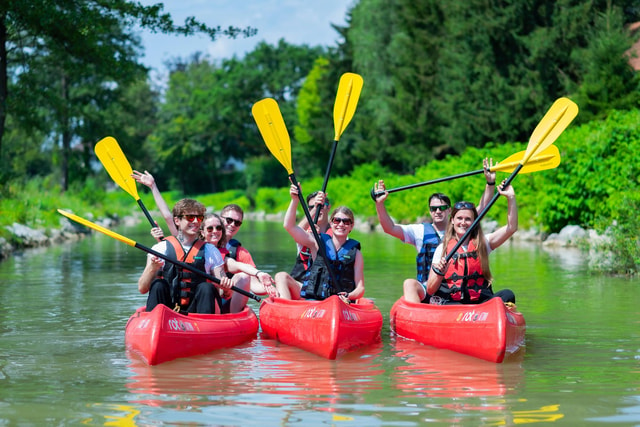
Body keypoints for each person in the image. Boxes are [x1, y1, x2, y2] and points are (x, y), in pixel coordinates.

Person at [372, 158, 498, 303]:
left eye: (442, 208)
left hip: (450, 291)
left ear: (450, 211)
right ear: (430, 211)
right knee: (409, 283)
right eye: (433, 208)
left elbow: (482, 208)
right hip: (428, 288)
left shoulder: (462, 228)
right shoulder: (419, 231)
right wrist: (379, 204)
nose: (438, 211)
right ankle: (416, 316)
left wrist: (490, 184)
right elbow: (390, 228)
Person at [426, 179, 518, 305]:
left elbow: (511, 228)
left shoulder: (484, 243)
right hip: (453, 303)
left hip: (480, 303)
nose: (463, 223)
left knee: (508, 294)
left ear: (474, 222)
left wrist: (511, 197)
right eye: (459, 218)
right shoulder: (442, 249)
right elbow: (430, 289)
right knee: (453, 306)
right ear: (452, 220)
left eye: (468, 219)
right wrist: (440, 273)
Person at [137, 198, 233, 314]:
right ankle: (152, 322)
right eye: (190, 217)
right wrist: (152, 268)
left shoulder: (210, 251)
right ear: (177, 221)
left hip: (196, 312)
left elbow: (224, 294)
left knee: (206, 287)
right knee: (158, 285)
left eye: (199, 218)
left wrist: (226, 288)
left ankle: (204, 327)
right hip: (167, 310)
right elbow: (142, 288)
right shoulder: (160, 249)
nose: (196, 221)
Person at [275, 184, 365, 302]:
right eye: (337, 220)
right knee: (280, 276)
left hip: (341, 301)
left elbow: (360, 288)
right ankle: (286, 310)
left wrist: (349, 296)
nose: (341, 224)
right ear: (331, 223)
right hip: (316, 299)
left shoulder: (355, 253)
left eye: (346, 222)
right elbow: (289, 226)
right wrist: (295, 200)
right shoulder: (316, 242)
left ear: (351, 226)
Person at [201, 213, 275, 312]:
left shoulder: (220, 254)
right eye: (210, 229)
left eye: (218, 228)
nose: (215, 231)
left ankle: (234, 317)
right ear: (202, 232)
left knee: (243, 276)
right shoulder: (193, 248)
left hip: (218, 297)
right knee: (206, 288)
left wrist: (259, 273)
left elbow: (236, 265)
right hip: (198, 296)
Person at [274, 191, 331, 294]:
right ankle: (286, 306)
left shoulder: (336, 234)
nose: (318, 209)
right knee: (280, 276)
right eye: (312, 207)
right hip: (300, 286)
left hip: (325, 287)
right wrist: (313, 209)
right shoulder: (305, 234)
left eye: (321, 206)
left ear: (328, 207)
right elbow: (291, 227)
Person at [220, 203, 276, 297]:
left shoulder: (242, 253)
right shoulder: (205, 243)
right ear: (220, 219)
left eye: (237, 223)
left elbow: (254, 285)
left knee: (244, 276)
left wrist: (271, 286)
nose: (233, 225)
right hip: (206, 293)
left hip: (227, 298)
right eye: (229, 220)